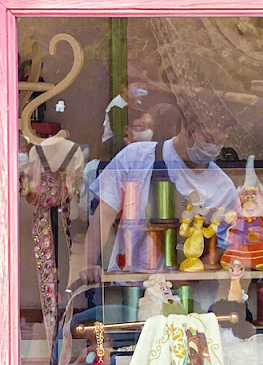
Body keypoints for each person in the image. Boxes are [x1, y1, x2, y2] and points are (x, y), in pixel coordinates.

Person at [85, 107, 237, 273]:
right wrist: (89, 264)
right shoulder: (135, 157)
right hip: (131, 283)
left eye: (217, 142)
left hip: (193, 293)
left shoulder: (224, 187)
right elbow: (104, 217)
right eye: (207, 139)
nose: (211, 147)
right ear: (185, 128)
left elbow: (224, 246)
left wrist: (185, 279)